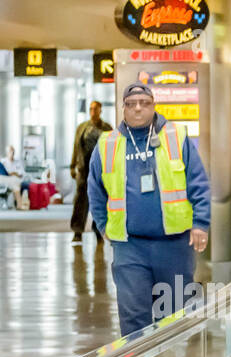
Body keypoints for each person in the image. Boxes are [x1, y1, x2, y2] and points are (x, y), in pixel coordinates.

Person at [88, 83, 210, 336]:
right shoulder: (108, 144)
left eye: (144, 103)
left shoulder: (176, 137)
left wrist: (201, 223)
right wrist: (103, 226)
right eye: (131, 105)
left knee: (174, 317)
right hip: (130, 247)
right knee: (133, 318)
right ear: (123, 109)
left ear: (154, 106)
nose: (137, 109)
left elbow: (198, 181)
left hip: (174, 245)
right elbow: (95, 190)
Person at [69, 100, 111, 244]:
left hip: (101, 170)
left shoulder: (107, 128)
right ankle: (77, 231)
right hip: (84, 169)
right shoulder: (82, 128)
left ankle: (98, 230)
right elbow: (76, 147)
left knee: (100, 200)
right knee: (81, 200)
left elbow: (113, 149)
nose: (93, 112)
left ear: (100, 110)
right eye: (91, 109)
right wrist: (72, 165)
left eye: (96, 109)